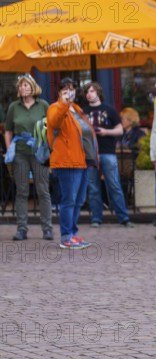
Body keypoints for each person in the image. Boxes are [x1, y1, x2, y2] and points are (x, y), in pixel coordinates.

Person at [46, 77, 98, 249]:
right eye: (65, 89)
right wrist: (64, 102)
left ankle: (73, 234)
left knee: (78, 201)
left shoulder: (76, 109)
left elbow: (86, 133)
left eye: (72, 88)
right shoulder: (56, 107)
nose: (70, 92)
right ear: (60, 92)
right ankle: (66, 236)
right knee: (69, 200)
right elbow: (54, 122)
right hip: (66, 162)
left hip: (81, 161)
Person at [3, 73, 52, 241]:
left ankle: (47, 229)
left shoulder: (43, 105)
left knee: (43, 190)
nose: (22, 88)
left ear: (33, 87)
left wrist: (49, 148)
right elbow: (8, 130)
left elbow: (51, 128)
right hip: (21, 153)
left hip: (39, 152)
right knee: (22, 191)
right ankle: (22, 229)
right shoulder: (13, 107)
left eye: (25, 85)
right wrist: (10, 150)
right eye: (20, 86)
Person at [82, 82, 133, 228]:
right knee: (93, 187)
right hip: (90, 154)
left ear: (98, 92)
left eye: (92, 91)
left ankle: (123, 217)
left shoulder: (109, 109)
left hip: (108, 152)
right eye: (87, 92)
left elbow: (120, 130)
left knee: (114, 185)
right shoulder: (83, 111)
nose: (89, 94)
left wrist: (106, 132)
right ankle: (96, 218)